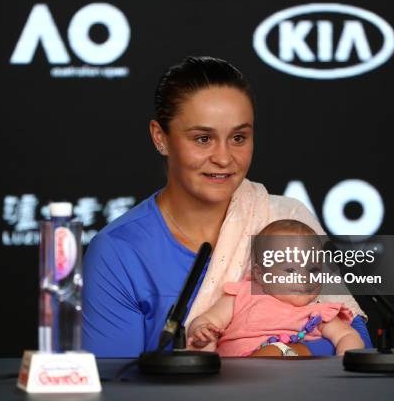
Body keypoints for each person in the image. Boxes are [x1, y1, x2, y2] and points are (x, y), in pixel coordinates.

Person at [82, 56, 372, 357]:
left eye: (238, 137)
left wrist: (282, 353)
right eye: (203, 138)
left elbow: (355, 338)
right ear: (161, 138)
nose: (223, 158)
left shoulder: (287, 220)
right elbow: (115, 381)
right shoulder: (119, 251)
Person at [186, 219, 364, 357]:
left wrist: (342, 363)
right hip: (232, 377)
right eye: (290, 269)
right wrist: (202, 331)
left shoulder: (318, 314)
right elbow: (209, 319)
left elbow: (348, 336)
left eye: (313, 269)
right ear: (261, 275)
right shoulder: (242, 295)